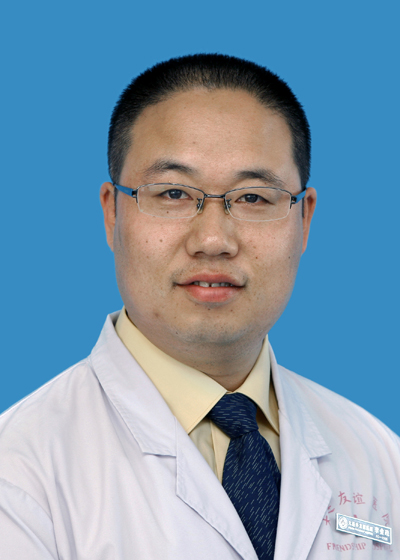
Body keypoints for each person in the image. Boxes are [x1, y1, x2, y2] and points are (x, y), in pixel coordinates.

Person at [0, 54, 398, 560]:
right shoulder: (19, 473)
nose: (213, 240)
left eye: (253, 198)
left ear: (305, 221)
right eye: (172, 193)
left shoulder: (379, 458)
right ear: (112, 212)